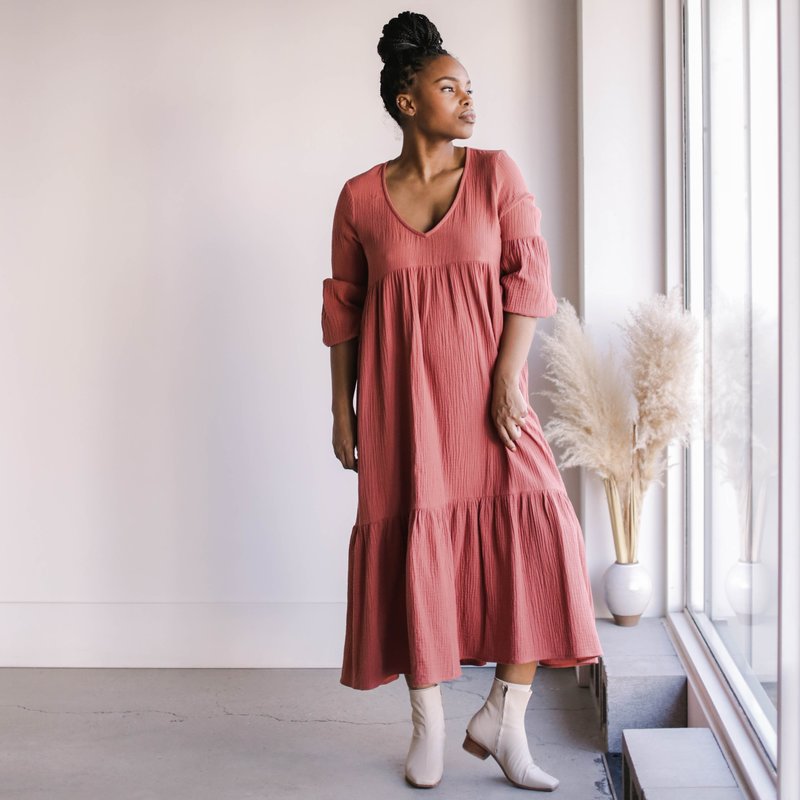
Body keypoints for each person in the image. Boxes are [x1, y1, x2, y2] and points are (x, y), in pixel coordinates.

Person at [321, 10, 603, 792]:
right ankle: (429, 726)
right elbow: (344, 310)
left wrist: (508, 377)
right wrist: (343, 410)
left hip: (489, 405)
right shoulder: (359, 199)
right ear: (408, 101)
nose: (470, 100)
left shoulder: (496, 175)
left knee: (541, 537)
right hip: (404, 413)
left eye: (470, 87)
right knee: (418, 551)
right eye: (451, 88)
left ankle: (505, 720)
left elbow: (529, 279)